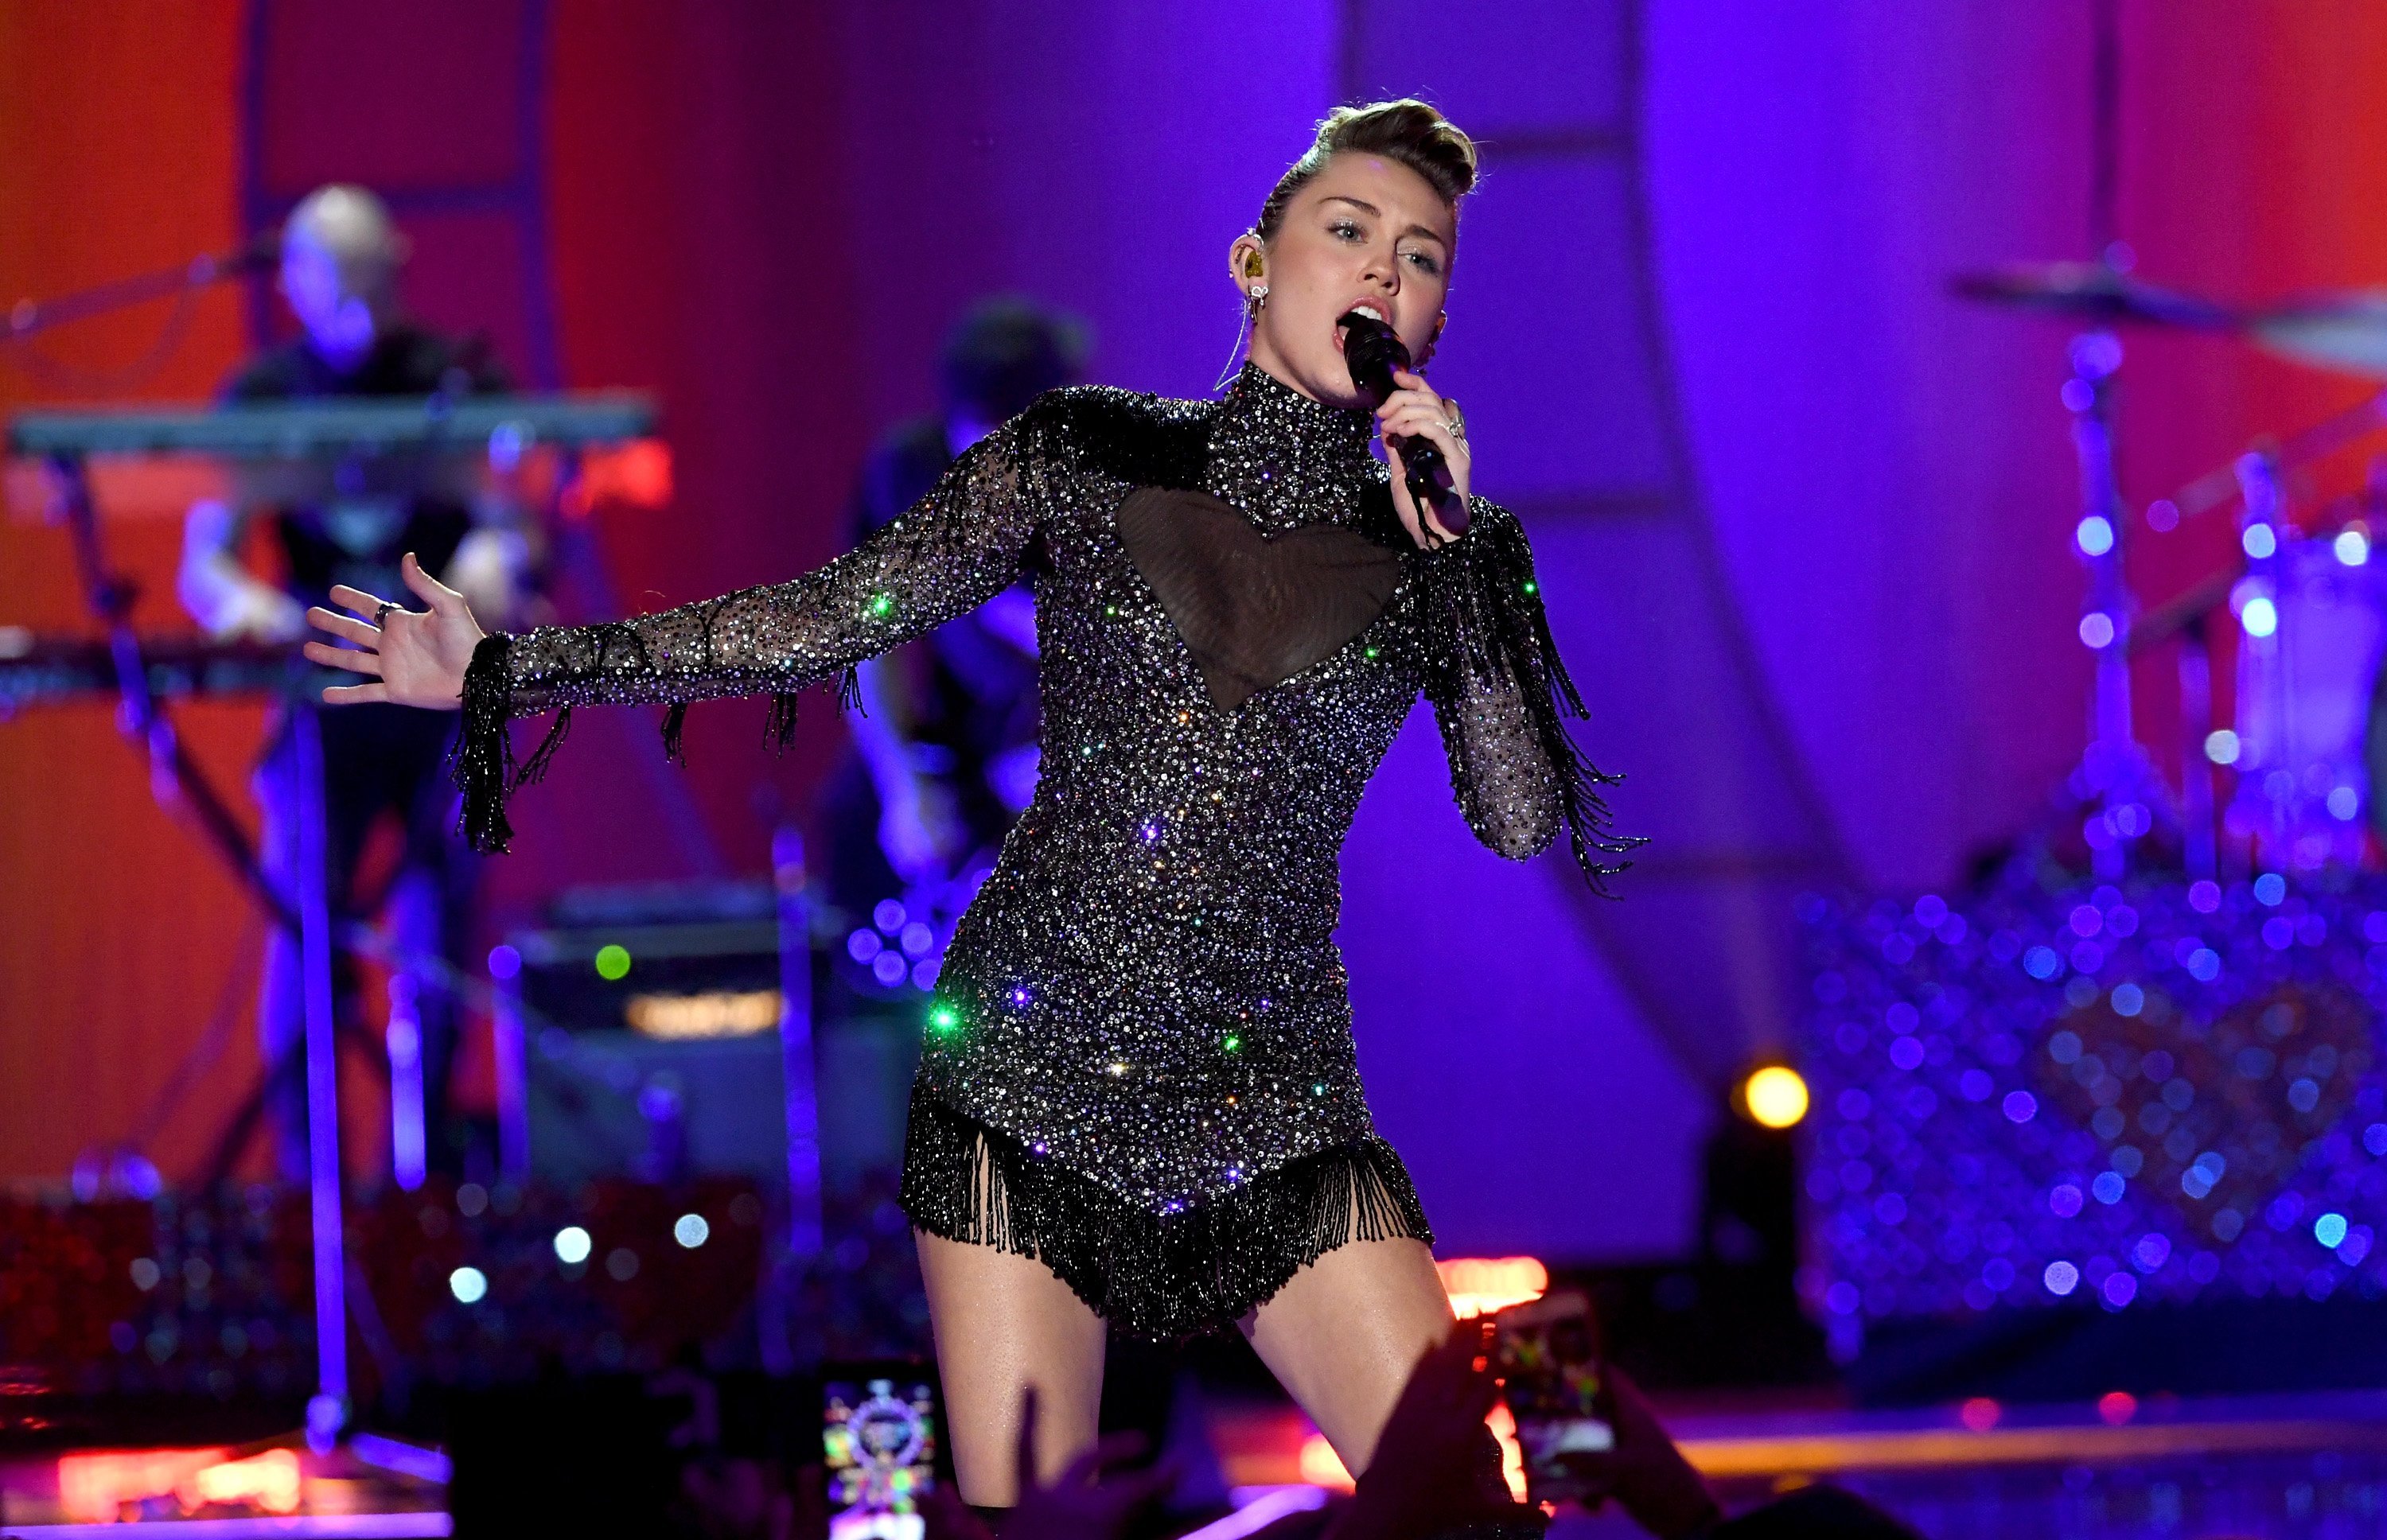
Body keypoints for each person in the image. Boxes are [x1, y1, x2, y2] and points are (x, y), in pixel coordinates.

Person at [302, 101, 1637, 1514]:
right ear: (1256, 261)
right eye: (1349, 232)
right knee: (1032, 1520)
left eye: (1420, 258)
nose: (1382, 276)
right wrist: (510, 670)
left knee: (1464, 1505)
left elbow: (1513, 814)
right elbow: (823, 620)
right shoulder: (1086, 454)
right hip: (1034, 1069)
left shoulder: (1440, 545)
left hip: (1272, 1089)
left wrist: (1462, 571)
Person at [179, 184, 533, 1182]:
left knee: (440, 915)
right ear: (293, 280)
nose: (358, 296)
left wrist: (491, 562)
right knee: (305, 916)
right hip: (320, 702)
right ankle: (307, 1177)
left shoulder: (456, 377)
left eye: (373, 271)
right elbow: (203, 563)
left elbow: (514, 519)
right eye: (334, 276)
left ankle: (431, 1166)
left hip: (439, 703)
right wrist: (258, 610)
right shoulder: (263, 395)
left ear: (400, 262)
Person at [823, 297, 1084, 916]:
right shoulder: (906, 470)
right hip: (961, 731)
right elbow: (865, 641)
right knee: (853, 833)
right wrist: (901, 785)